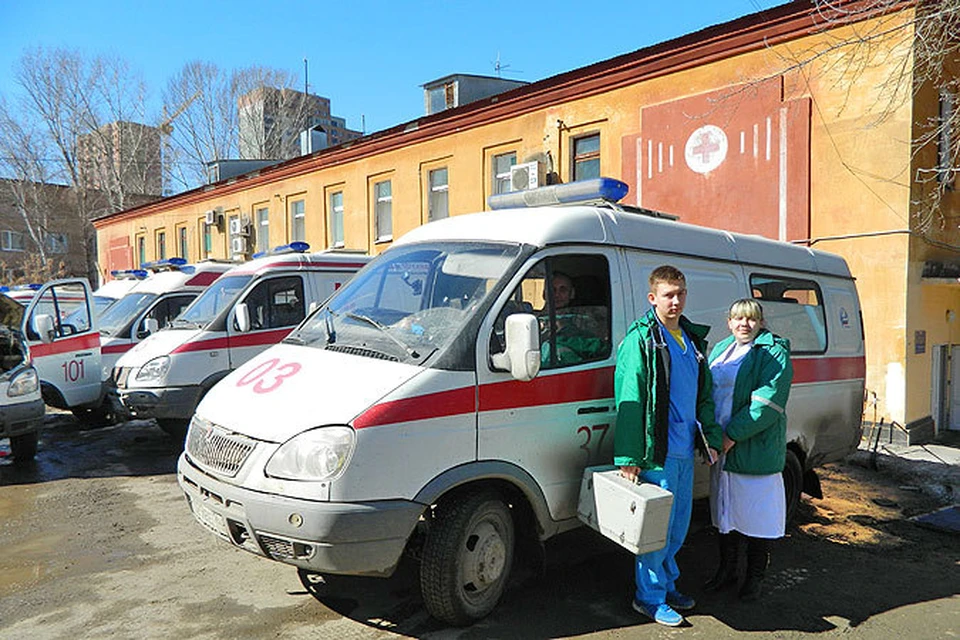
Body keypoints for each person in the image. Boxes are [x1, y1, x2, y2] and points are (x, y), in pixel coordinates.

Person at [614, 265, 722, 627]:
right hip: (656, 450)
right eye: (668, 295)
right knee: (655, 530)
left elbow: (704, 396)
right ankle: (648, 597)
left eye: (680, 294)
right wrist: (630, 456)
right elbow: (630, 397)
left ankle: (667, 585)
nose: (675, 301)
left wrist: (710, 439)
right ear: (653, 298)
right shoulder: (642, 340)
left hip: (683, 451)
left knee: (678, 526)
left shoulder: (689, 341)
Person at [704, 298, 793, 602]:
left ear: (761, 322)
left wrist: (731, 435)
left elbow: (766, 404)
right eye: (738, 319)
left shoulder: (772, 353)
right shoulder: (720, 349)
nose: (744, 324)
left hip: (753, 448)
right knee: (724, 514)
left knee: (757, 519)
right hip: (723, 449)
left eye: (751, 319)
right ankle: (726, 571)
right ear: (729, 322)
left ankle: (754, 579)